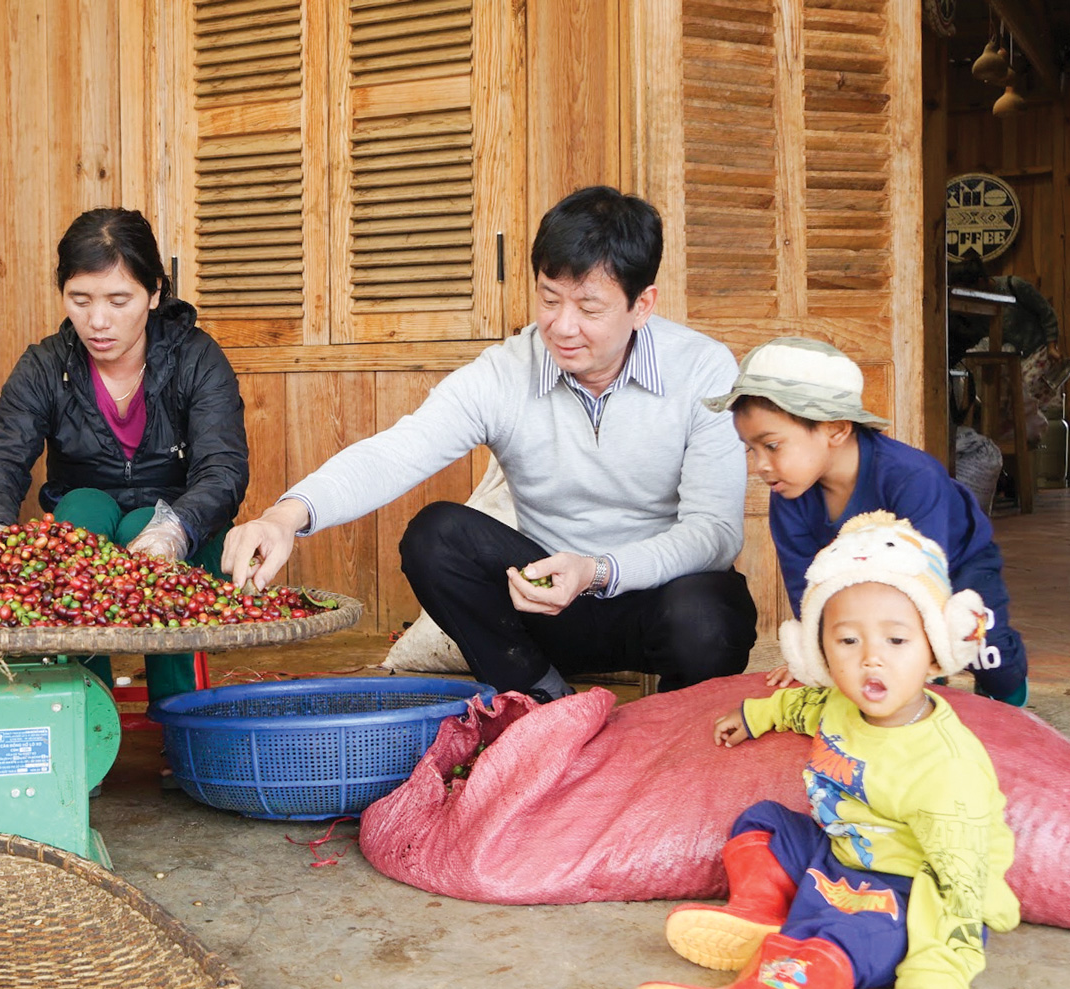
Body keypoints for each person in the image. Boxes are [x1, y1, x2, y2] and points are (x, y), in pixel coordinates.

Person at [222, 186, 755, 699]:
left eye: (589, 308)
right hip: (548, 604)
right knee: (436, 535)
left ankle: (674, 733)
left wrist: (598, 571)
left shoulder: (701, 368)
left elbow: (715, 533)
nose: (562, 327)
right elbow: (399, 450)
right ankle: (541, 699)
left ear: (642, 305)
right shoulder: (506, 371)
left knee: (711, 614)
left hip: (657, 603)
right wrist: (285, 516)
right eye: (549, 299)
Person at [627, 512, 1016, 989]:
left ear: (935, 654)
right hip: (843, 855)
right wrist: (754, 715)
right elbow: (805, 707)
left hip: (910, 896)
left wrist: (937, 976)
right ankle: (760, 916)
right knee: (762, 822)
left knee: (835, 934)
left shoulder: (946, 774)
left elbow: (962, 887)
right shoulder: (842, 702)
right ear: (820, 654)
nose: (870, 658)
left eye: (897, 639)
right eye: (848, 640)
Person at [0, 208, 248, 699]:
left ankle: (181, 718)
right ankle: (84, 713)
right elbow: (2, 455)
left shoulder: (197, 359)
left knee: (147, 536)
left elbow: (222, 469)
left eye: (119, 300)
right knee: (78, 513)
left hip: (180, 524)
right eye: (80, 299)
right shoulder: (47, 365)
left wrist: (176, 528)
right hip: (86, 518)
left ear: (155, 293)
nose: (98, 321)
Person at [714, 336, 1029, 706]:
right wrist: (814, 658)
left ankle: (1010, 703)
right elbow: (807, 588)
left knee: (983, 649)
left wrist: (923, 653)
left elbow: (927, 582)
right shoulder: (789, 496)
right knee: (899, 672)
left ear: (835, 428)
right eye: (750, 449)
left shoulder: (912, 477)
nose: (760, 465)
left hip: (952, 566)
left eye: (772, 445)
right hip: (869, 583)